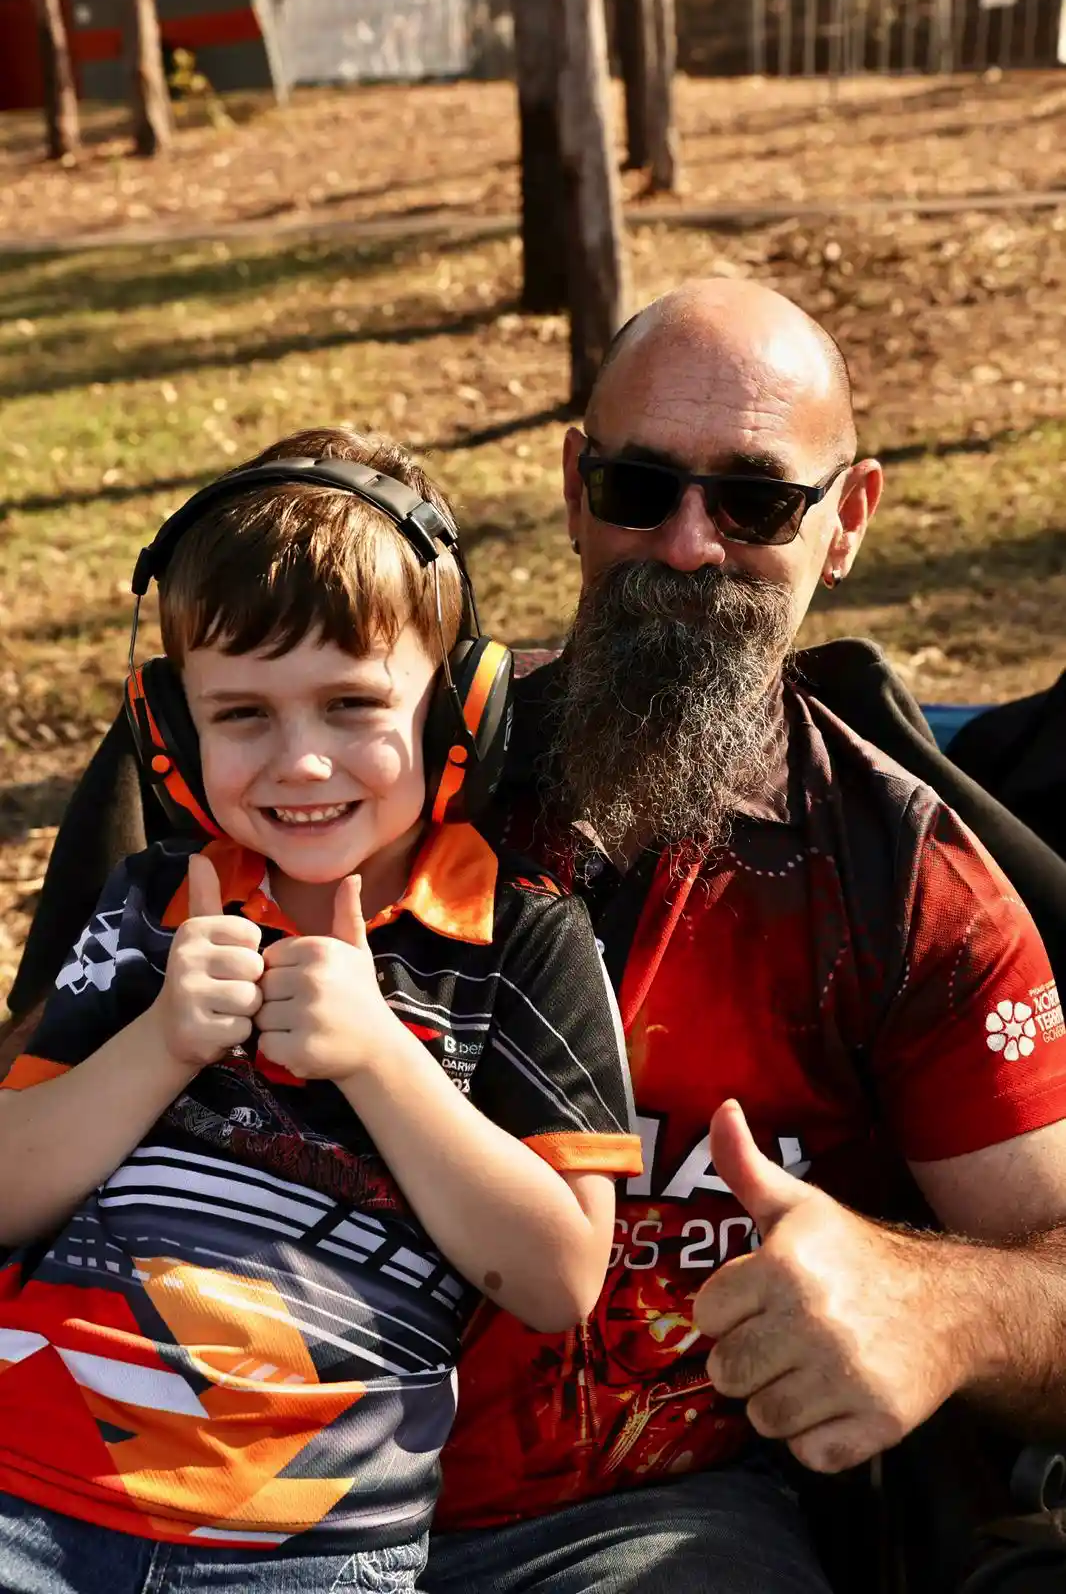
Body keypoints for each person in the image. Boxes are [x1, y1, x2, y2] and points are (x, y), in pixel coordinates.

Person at [415, 279, 1066, 1594]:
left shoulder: (901, 886)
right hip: (237, 1467)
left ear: (847, 522)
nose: (688, 547)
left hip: (631, 1524)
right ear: (570, 488)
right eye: (639, 488)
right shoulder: (367, 769)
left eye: (756, 502)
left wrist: (934, 1306)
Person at [0, 429, 642, 1594]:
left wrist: (378, 1059)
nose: (301, 763)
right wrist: (159, 1044)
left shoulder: (522, 938)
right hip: (21, 1493)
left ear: (461, 709)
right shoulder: (154, 907)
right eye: (242, 713)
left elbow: (556, 1277)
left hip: (301, 1549)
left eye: (352, 703)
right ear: (168, 729)